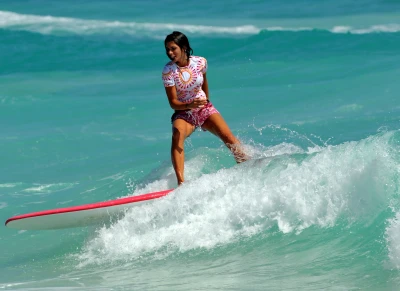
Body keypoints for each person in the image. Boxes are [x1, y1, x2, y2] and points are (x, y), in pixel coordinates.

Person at [162, 31, 248, 186]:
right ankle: (181, 183)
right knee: (177, 136)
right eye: (167, 49)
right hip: (183, 113)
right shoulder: (168, 71)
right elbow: (173, 103)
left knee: (230, 139)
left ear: (184, 47)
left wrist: (206, 101)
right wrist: (189, 105)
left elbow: (204, 82)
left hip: (203, 108)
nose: (169, 52)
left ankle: (248, 168)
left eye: (173, 48)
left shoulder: (200, 62)